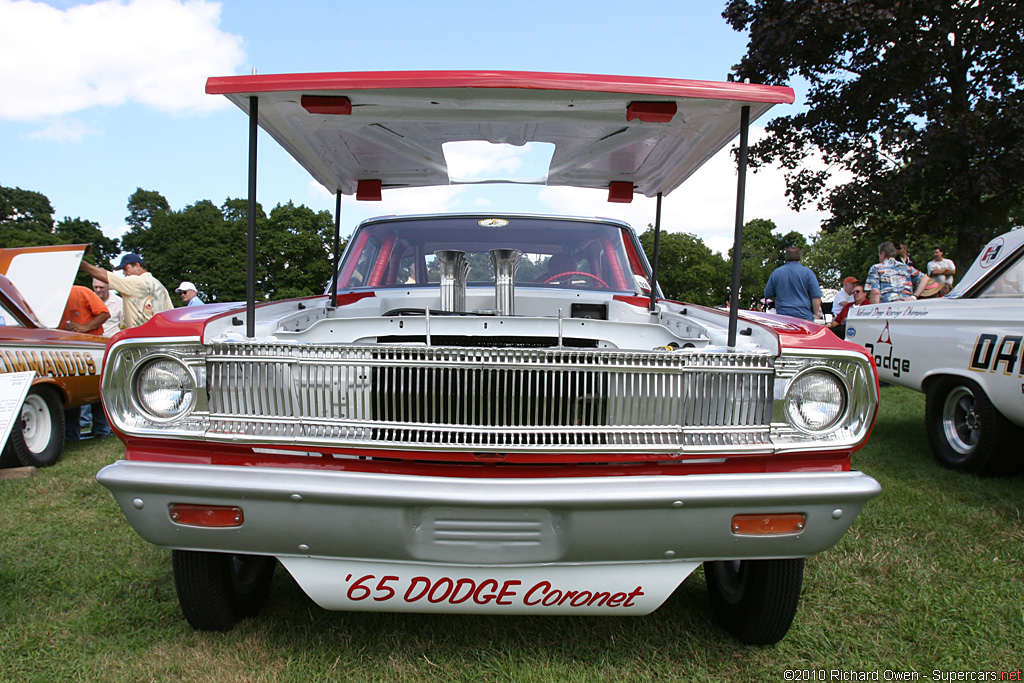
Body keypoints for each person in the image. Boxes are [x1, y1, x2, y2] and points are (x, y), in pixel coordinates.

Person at [60, 285, 110, 440]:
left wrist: (84, 327)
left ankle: (102, 430)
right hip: (66, 348)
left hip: (91, 346)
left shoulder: (81, 292)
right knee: (72, 390)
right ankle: (71, 433)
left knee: (97, 388)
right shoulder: (49, 297)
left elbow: (104, 313)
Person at [80, 253, 172, 328]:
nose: (124, 273)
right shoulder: (160, 286)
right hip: (159, 337)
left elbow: (106, 277)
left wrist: (81, 263)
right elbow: (170, 314)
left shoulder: (135, 281)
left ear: (137, 266)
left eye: (126, 269)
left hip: (140, 337)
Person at [763, 246, 823, 321]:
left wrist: (780, 298)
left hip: (783, 316)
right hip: (804, 317)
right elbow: (816, 297)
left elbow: (768, 294)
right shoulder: (808, 273)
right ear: (800, 257)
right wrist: (815, 313)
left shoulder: (776, 273)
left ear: (786, 257)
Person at [865, 241, 931, 304]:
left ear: (883, 254)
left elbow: (875, 292)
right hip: (907, 303)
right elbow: (925, 278)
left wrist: (875, 311)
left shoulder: (876, 268)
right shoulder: (906, 267)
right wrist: (915, 296)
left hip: (887, 305)